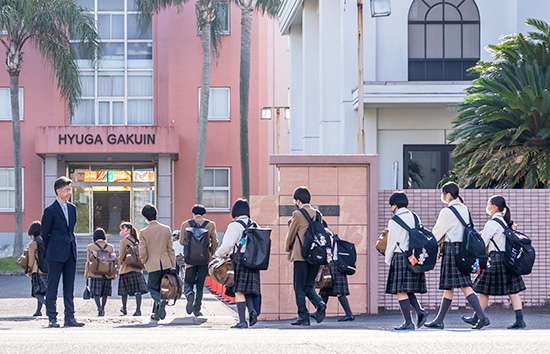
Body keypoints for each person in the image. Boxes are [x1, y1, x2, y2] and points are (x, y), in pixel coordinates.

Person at [425, 182, 490, 330]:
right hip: (463, 250)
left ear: (448, 194)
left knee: (464, 285)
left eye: (443, 194)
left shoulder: (447, 212)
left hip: (452, 250)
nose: (442, 197)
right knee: (450, 287)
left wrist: (428, 246)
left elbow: (436, 234)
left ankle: (482, 317)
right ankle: (439, 320)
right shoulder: (464, 209)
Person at [462, 195, 526, 329]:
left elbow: (483, 243)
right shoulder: (505, 222)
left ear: (494, 206)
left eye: (488, 204)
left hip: (495, 259)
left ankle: (477, 318)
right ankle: (520, 321)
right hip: (508, 259)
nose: (487, 207)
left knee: (484, 290)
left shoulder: (492, 223)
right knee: (513, 290)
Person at [41, 176, 84, 328]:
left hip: (70, 252)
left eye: (70, 190)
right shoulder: (50, 210)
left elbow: (70, 230)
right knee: (52, 286)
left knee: (69, 287)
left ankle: (69, 317)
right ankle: (52, 318)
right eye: (66, 190)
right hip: (55, 254)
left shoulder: (72, 209)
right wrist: (51, 249)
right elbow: (44, 234)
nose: (69, 193)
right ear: (58, 191)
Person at [384, 192, 428, 330]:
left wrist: (388, 258)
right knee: (408, 289)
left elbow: (392, 242)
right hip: (414, 257)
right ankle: (420, 311)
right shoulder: (415, 216)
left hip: (400, 256)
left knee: (401, 290)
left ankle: (408, 322)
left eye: (391, 205)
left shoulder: (394, 221)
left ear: (394, 205)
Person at [214, 199, 260, 328]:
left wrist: (217, 255)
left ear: (235, 212)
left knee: (239, 291)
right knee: (249, 291)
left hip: (239, 260)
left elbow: (228, 245)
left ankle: (242, 321)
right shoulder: (255, 225)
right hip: (254, 261)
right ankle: (252, 311)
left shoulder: (234, 225)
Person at [284, 187, 326, 326]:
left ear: (298, 200)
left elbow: (291, 234)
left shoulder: (297, 214)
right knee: (309, 285)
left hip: (300, 256)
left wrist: (287, 247)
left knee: (299, 287)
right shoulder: (318, 214)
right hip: (315, 256)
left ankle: (303, 316)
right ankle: (319, 303)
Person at [138, 203, 175, 321]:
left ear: (145, 217)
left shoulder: (143, 232)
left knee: (152, 288)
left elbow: (142, 251)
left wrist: (144, 262)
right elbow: (170, 248)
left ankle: (160, 301)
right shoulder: (166, 229)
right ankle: (155, 313)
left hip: (153, 263)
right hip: (166, 262)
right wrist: (173, 264)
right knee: (161, 288)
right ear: (156, 214)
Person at [180, 204, 218, 317]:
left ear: (193, 213)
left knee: (188, 282)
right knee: (200, 285)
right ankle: (197, 309)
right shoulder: (210, 224)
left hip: (190, 259)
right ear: (204, 214)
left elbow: (182, 241)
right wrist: (210, 252)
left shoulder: (185, 224)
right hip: (204, 259)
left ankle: (189, 294)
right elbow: (215, 242)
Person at [315, 220, 354, 322]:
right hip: (335, 264)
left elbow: (324, 250)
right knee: (325, 290)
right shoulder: (331, 234)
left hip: (333, 264)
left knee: (339, 291)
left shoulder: (324, 235)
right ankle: (318, 313)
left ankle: (349, 314)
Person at [118, 222, 148, 317]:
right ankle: (138, 310)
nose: (122, 231)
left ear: (129, 230)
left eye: (123, 229)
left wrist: (120, 262)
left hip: (126, 268)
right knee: (137, 290)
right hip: (138, 269)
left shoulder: (124, 242)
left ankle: (124, 308)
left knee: (124, 291)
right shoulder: (138, 241)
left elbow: (121, 256)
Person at [84, 228, 116, 316]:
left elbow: (88, 262)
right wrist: (113, 274)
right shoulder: (110, 247)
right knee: (105, 292)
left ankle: (99, 308)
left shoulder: (91, 247)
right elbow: (113, 263)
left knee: (96, 292)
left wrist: (86, 274)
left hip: (95, 273)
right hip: (107, 273)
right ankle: (103, 307)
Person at [26, 221, 48, 317]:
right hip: (46, 270)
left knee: (36, 292)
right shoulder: (45, 242)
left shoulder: (33, 244)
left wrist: (29, 270)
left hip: (37, 270)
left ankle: (49, 305)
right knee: (43, 291)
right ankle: (38, 311)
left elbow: (31, 260)